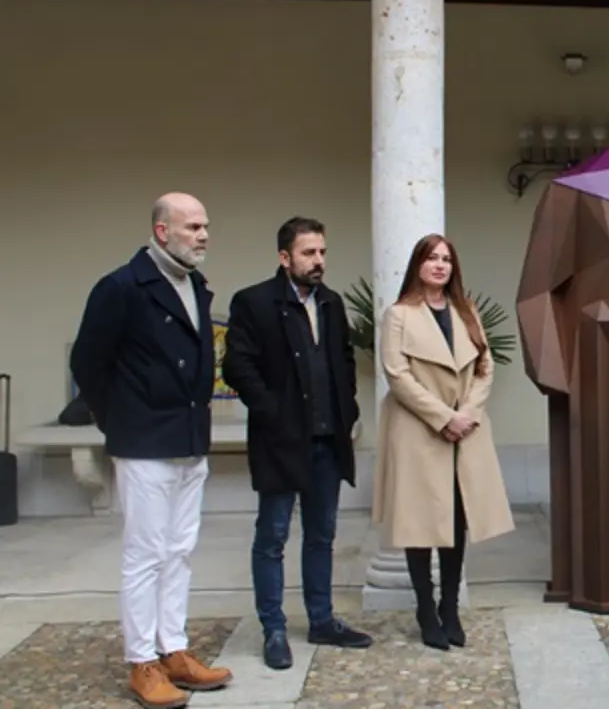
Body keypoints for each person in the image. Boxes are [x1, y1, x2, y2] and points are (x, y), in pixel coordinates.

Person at [69, 192, 233, 708]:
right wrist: (118, 417)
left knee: (179, 551)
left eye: (205, 226)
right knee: (145, 554)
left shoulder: (196, 285)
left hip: (188, 439)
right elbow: (88, 363)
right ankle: (142, 661)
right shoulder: (122, 287)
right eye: (192, 227)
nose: (203, 235)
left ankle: (174, 650)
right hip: (143, 443)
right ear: (162, 231)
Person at [222, 217, 373, 670]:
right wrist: (272, 411)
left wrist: (348, 407)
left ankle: (322, 621)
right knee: (272, 537)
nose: (319, 261)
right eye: (309, 253)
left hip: (328, 440)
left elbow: (343, 360)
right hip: (280, 442)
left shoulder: (330, 302)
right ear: (284, 257)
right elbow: (237, 367)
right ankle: (273, 629)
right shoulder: (254, 302)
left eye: (322, 252)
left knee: (321, 535)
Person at [373, 233, 516, 650]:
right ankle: (425, 607)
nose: (440, 265)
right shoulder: (398, 315)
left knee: (457, 519)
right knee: (420, 523)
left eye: (446, 259)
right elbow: (396, 374)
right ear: (418, 264)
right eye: (432, 258)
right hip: (420, 429)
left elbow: (486, 367)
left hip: (465, 430)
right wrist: (443, 417)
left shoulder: (466, 311)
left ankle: (450, 606)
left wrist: (467, 413)